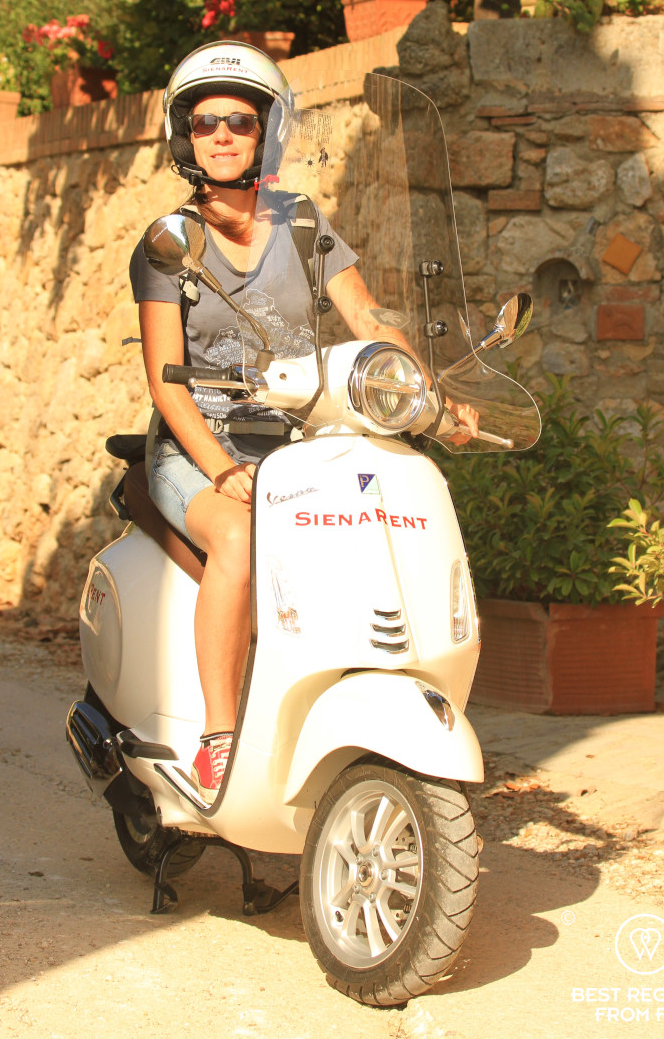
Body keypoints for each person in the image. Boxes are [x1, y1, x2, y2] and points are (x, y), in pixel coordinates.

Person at [130, 42, 479, 804]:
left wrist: (429, 396)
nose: (223, 135)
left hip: (293, 438)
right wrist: (221, 469)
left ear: (267, 133)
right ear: (185, 137)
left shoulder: (301, 223)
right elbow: (164, 381)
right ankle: (220, 735)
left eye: (241, 121)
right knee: (237, 537)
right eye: (206, 122)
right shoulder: (170, 242)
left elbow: (369, 320)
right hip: (196, 444)